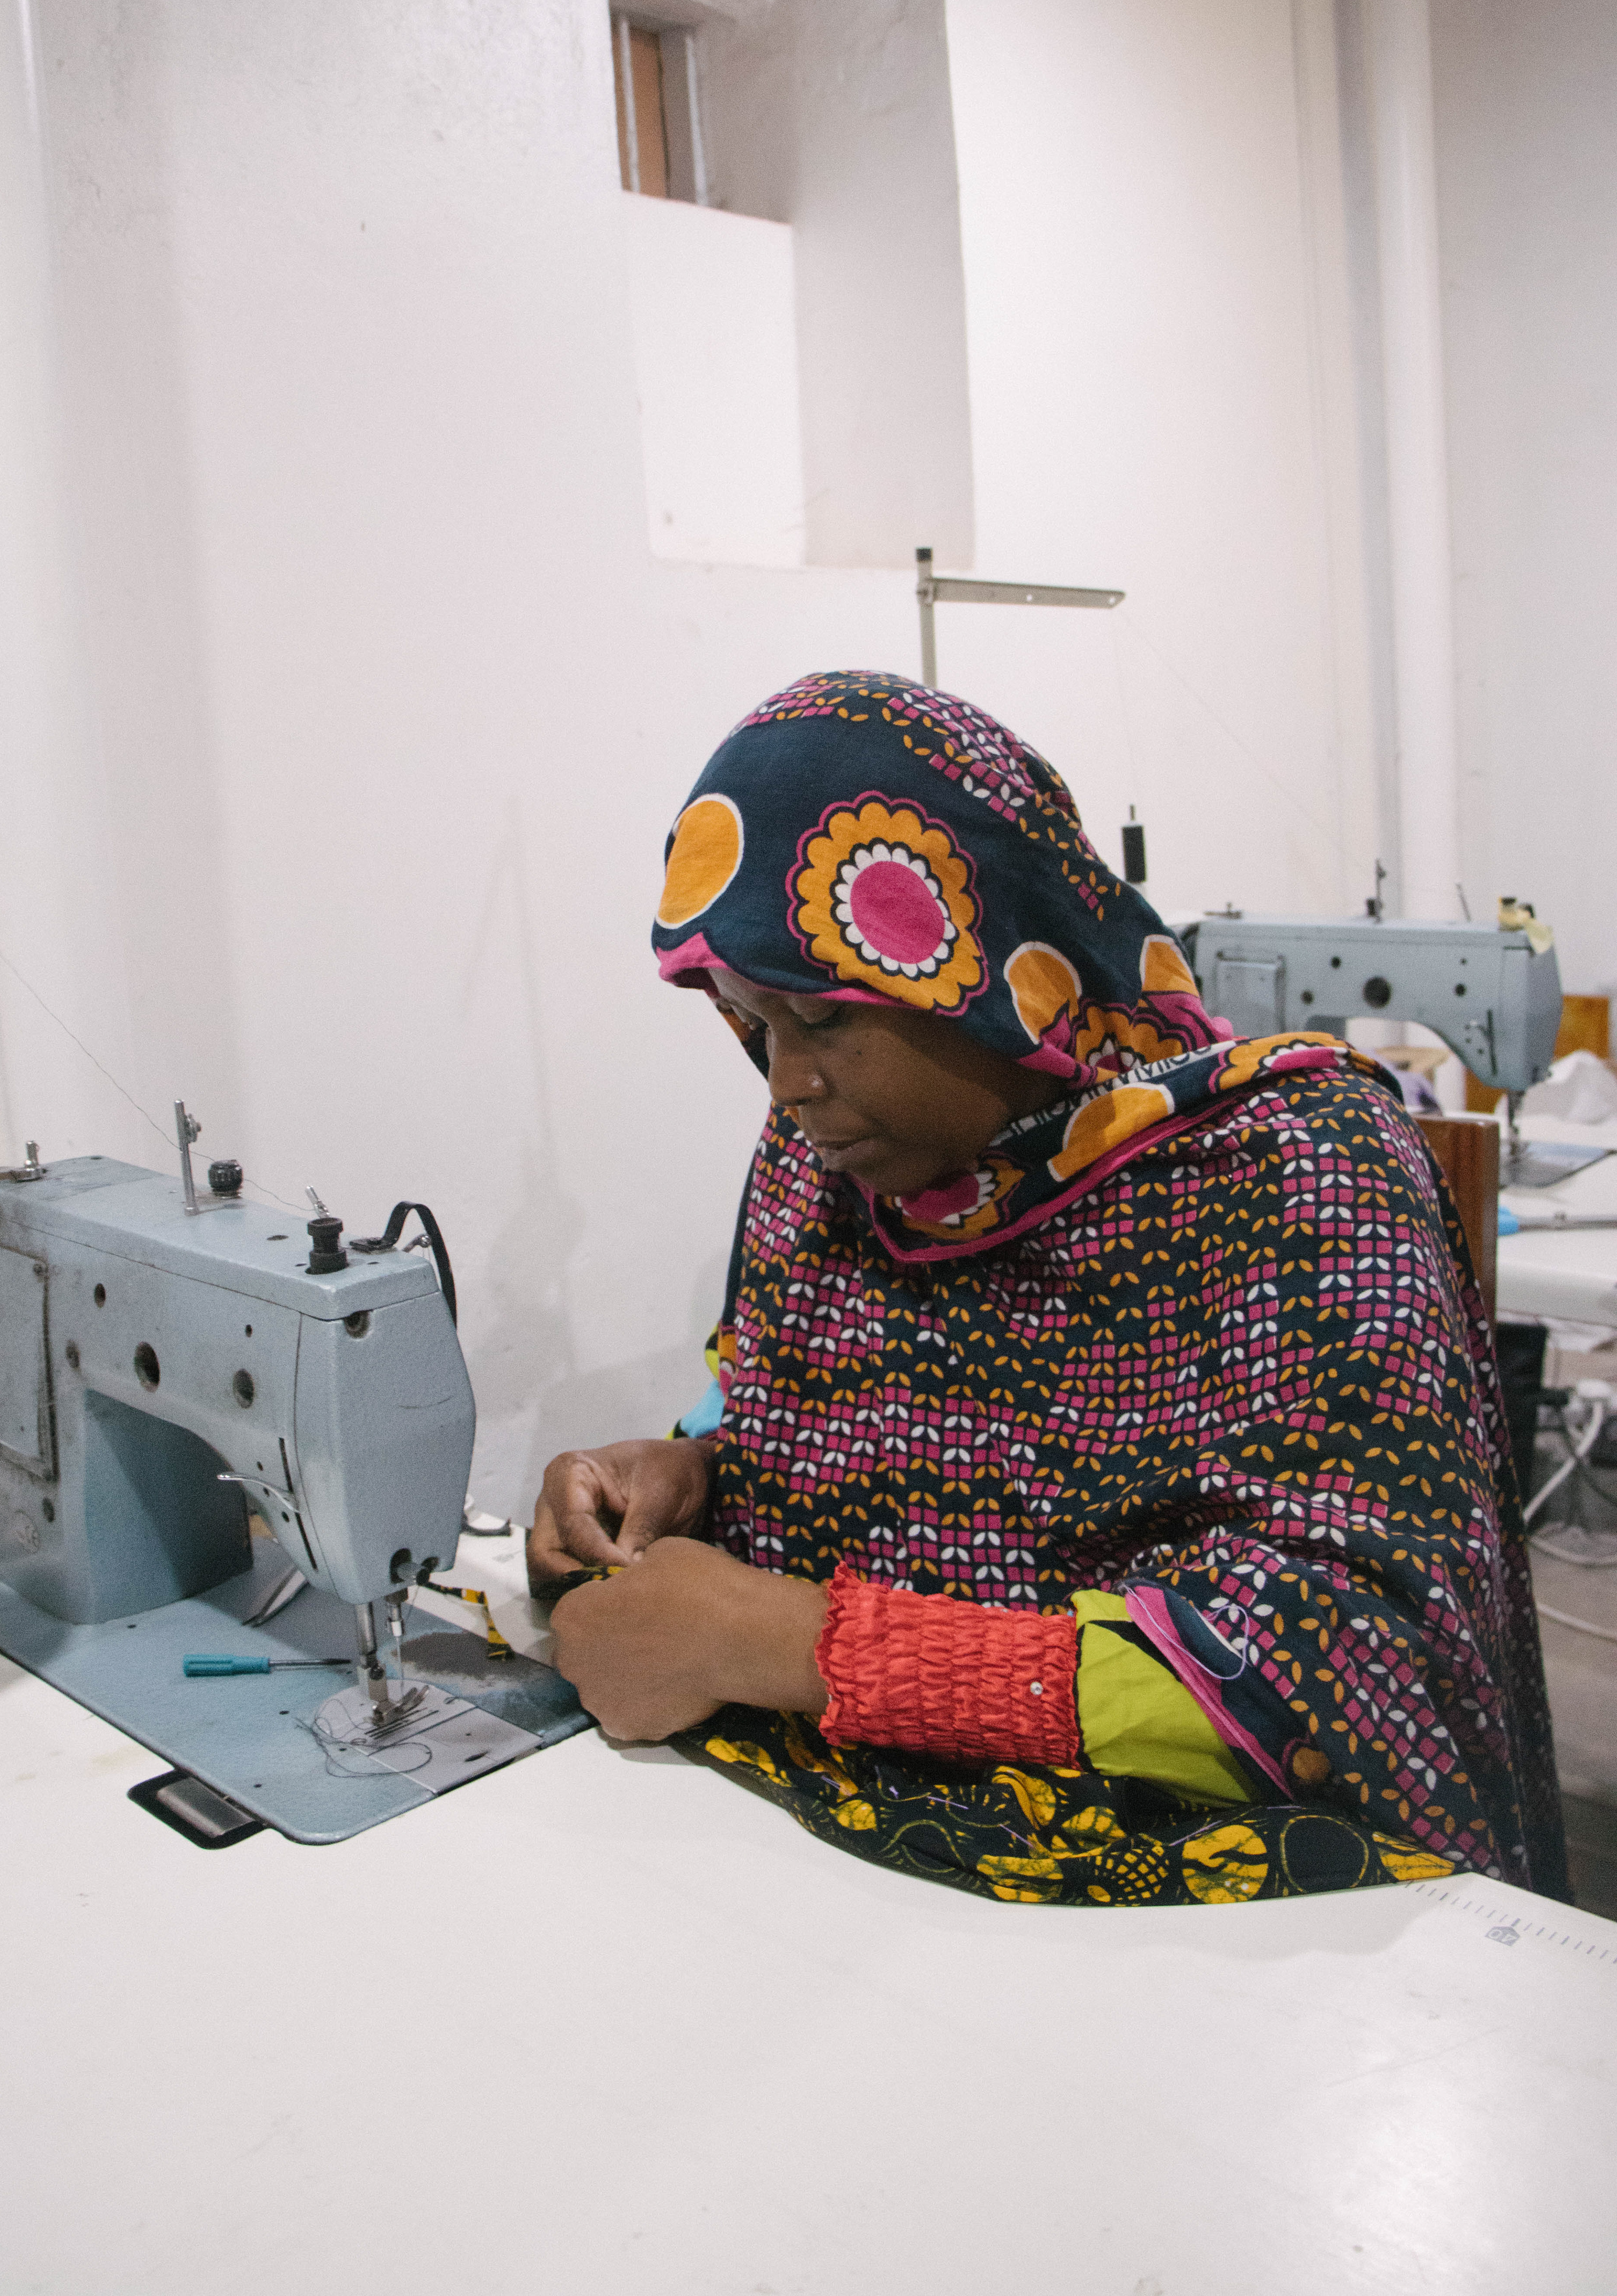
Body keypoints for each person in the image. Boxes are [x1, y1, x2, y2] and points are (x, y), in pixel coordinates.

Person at [530, 670, 1565, 1907]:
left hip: (1222, 1928)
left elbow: (1353, 1673)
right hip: (835, 1876)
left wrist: (792, 1646)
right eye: (752, 1025)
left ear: (976, 972)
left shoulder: (1295, 1164)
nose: (785, 1086)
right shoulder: (828, 1174)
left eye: (819, 1019)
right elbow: (797, 1407)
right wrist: (696, 1471)